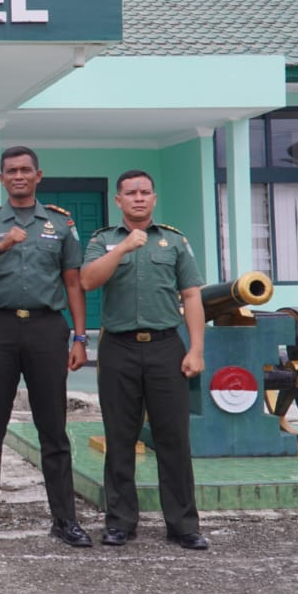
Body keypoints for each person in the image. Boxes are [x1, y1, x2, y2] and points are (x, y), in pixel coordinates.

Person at [0, 146, 93, 548]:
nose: (18, 176)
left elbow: (73, 282)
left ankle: (64, 519)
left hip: (46, 329)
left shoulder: (59, 223)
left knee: (53, 429)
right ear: (1, 179)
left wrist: (80, 336)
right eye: (11, 171)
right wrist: (2, 246)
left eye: (25, 170)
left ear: (38, 176)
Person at [80, 169, 209, 550]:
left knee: (174, 438)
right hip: (118, 348)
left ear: (154, 199)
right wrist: (122, 249)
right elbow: (87, 280)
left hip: (166, 347)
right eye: (130, 193)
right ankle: (120, 521)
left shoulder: (174, 241)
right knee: (120, 439)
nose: (138, 198)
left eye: (145, 192)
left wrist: (196, 348)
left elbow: (191, 297)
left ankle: (183, 524)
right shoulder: (103, 240)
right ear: (118, 201)